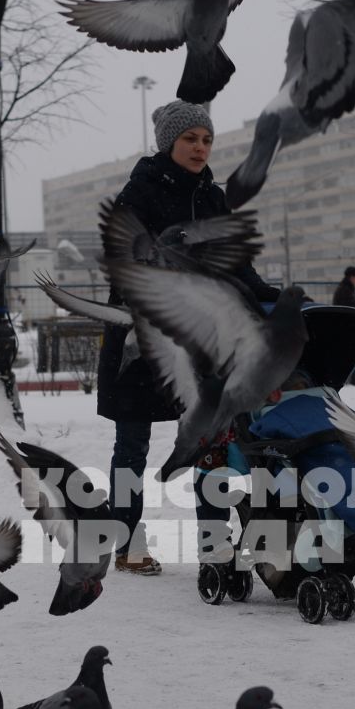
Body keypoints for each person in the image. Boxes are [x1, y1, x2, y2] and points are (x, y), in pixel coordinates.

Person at [97, 100, 281, 576]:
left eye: (206, 139)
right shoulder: (139, 194)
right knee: (132, 448)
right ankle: (125, 541)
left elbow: (237, 262)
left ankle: (214, 545)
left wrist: (268, 297)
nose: (200, 148)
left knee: (212, 440)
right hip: (144, 341)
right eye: (190, 139)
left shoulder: (213, 196)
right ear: (169, 143)